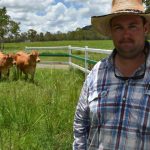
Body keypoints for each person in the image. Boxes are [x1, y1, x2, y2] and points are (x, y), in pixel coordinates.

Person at [73, 0, 150, 149]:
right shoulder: (96, 72)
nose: (126, 34)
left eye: (132, 26)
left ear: (145, 28)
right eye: (118, 27)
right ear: (111, 32)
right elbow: (81, 123)